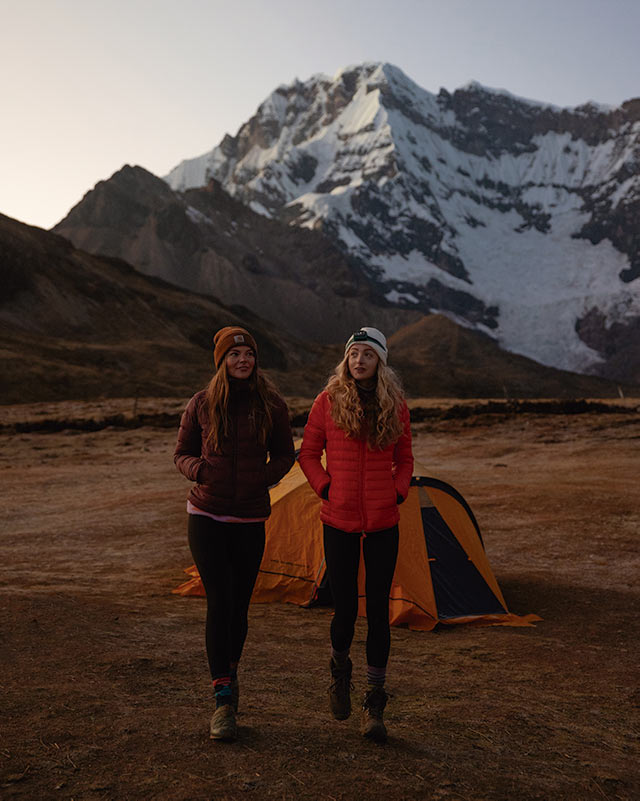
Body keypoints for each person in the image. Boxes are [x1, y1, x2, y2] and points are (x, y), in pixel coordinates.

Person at [174, 326, 295, 741]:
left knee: (240, 606)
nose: (242, 360)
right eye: (234, 354)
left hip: (249, 518)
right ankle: (222, 699)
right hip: (206, 516)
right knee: (219, 602)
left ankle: (231, 670)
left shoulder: (272, 405)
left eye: (247, 353)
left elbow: (285, 454)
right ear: (222, 361)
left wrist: (263, 477)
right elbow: (181, 453)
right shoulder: (203, 404)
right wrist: (201, 471)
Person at [298, 327, 413, 743]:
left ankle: (375, 701)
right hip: (338, 519)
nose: (359, 360)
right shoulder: (326, 402)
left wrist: (398, 491)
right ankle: (339, 670)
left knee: (379, 611)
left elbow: (405, 458)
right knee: (344, 609)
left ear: (380, 361)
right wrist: (326, 488)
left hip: (384, 521)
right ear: (345, 360)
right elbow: (308, 453)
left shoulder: (395, 406)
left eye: (367, 354)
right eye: (353, 354)